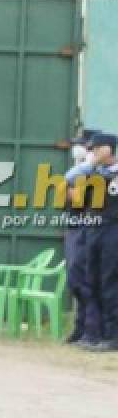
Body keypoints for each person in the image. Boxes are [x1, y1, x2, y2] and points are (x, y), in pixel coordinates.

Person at [67, 132, 118, 352]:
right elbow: (69, 180)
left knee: (110, 284)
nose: (92, 153)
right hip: (93, 230)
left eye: (96, 149)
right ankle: (98, 334)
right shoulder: (92, 172)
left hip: (112, 231)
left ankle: (112, 335)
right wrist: (91, 163)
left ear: (109, 149)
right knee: (92, 282)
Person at [64, 130, 98, 344]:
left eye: (83, 146)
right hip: (74, 227)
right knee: (75, 281)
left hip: (86, 229)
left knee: (85, 281)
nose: (77, 149)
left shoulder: (95, 172)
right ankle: (80, 328)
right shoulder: (79, 171)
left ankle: (90, 330)